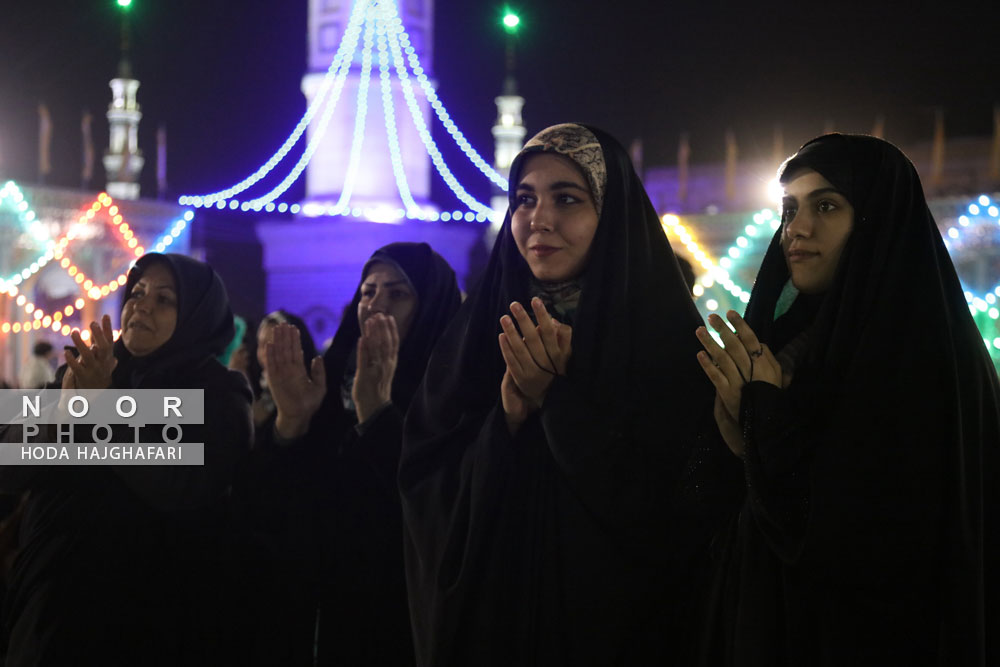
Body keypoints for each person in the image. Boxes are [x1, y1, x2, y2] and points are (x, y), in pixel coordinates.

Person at [399, 123, 717, 666]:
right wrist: (508, 418)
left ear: (611, 216)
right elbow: (425, 488)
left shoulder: (662, 344)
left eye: (567, 199)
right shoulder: (479, 336)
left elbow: (684, 513)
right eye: (524, 199)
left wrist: (560, 403)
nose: (537, 220)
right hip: (496, 630)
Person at [695, 134, 1000, 665]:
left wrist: (765, 424)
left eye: (827, 206)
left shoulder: (922, 358)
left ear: (877, 220)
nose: (798, 229)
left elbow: (869, 547)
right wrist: (737, 435)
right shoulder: (791, 342)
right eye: (790, 210)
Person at [0, 253, 253, 666]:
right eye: (137, 292)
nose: (143, 306)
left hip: (150, 623)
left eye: (165, 299)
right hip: (49, 616)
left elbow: (182, 485)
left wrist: (101, 410)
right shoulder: (87, 371)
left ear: (196, 315)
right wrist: (62, 415)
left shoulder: (219, 395)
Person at [238, 242, 461, 666]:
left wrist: (377, 412)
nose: (376, 305)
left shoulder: (452, 395)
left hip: (396, 619)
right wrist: (291, 423)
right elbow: (267, 500)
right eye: (368, 291)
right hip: (311, 613)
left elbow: (439, 505)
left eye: (398, 293)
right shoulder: (326, 382)